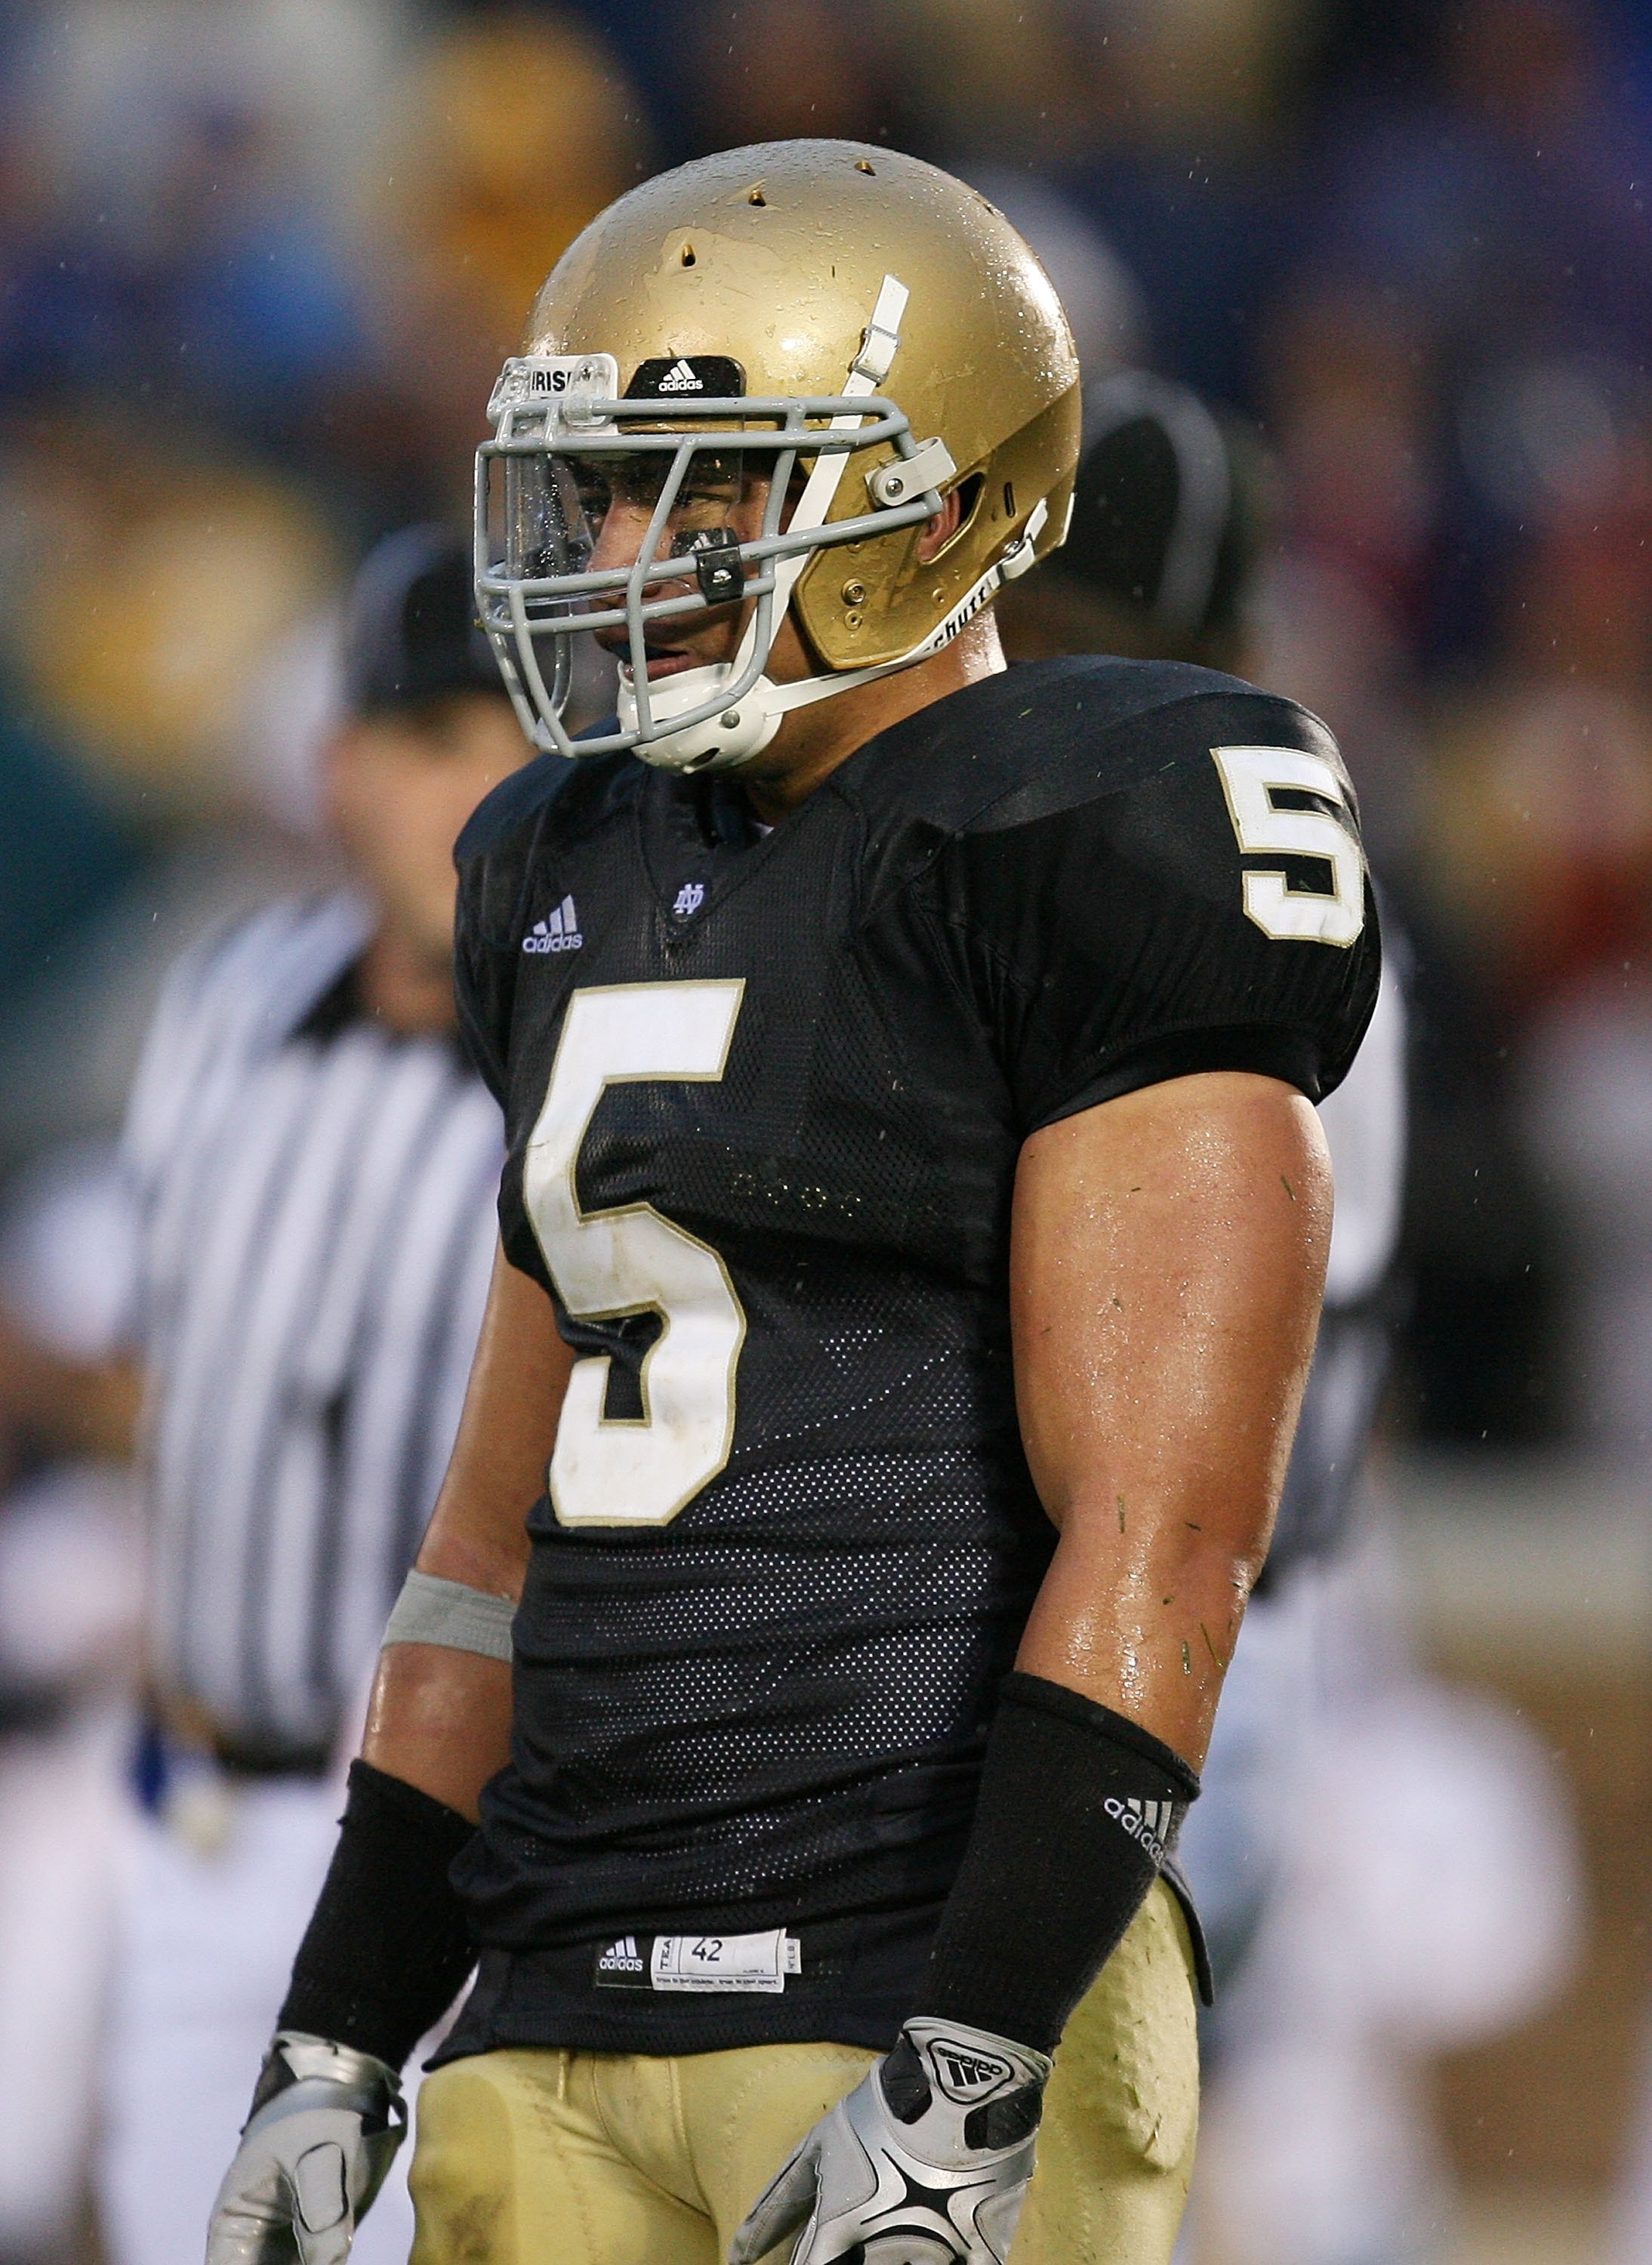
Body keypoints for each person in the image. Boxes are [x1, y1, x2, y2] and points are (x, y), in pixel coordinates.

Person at [208, 142, 1379, 2265]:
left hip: (899, 1979)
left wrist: (970, 2072)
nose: (637, 551)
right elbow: (487, 1551)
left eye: (716, 484)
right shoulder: (551, 868)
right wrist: (339, 2028)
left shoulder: (1089, 816)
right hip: (549, 1989)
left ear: (938, 503)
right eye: (611, 493)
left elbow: (1167, 1540)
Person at [34, 528, 529, 2265]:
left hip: (465, 1869)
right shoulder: (230, 997)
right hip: (208, 1806)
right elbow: (190, 1369)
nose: (481, 789)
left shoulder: (602, 1054)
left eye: (522, 738)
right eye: (437, 737)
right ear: (342, 768)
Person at [998, 371, 1409, 1992]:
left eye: (1106, 642)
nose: (1059, 685)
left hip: (1191, 1633)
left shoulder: (1236, 897)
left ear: (1223, 661)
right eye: (1039, 632)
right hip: (1168, 1613)